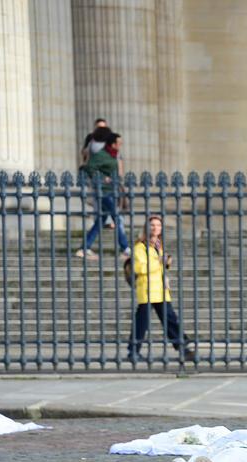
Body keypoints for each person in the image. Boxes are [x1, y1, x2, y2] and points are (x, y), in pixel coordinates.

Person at [128, 214, 194, 362]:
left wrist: (166, 263)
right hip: (147, 289)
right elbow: (139, 268)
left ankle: (183, 347)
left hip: (160, 289)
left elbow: (160, 265)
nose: (156, 228)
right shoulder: (140, 246)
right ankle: (133, 351)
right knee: (142, 322)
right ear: (146, 227)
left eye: (158, 225)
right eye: (152, 225)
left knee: (170, 318)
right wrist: (159, 261)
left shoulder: (157, 244)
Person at [77, 132, 130, 260]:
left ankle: (84, 248)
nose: (121, 145)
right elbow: (88, 168)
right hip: (103, 192)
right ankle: (125, 248)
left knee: (100, 221)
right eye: (119, 143)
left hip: (111, 190)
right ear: (113, 144)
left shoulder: (113, 156)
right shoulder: (101, 155)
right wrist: (102, 178)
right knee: (117, 218)